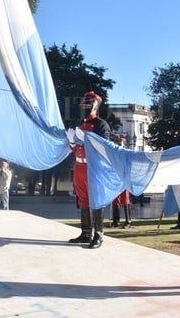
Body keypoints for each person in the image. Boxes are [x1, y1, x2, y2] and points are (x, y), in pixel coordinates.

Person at [67, 91, 111, 249]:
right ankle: (86, 233)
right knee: (83, 200)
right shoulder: (80, 124)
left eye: (89, 103)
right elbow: (76, 149)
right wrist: (72, 142)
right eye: (84, 103)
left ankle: (98, 234)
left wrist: (86, 139)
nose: (85, 106)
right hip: (79, 167)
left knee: (96, 200)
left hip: (93, 167)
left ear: (96, 105)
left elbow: (104, 147)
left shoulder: (101, 125)